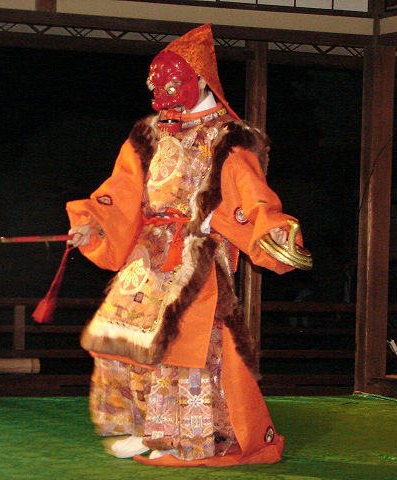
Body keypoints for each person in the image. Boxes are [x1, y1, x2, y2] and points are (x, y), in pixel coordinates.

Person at [65, 23, 304, 466]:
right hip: (147, 252)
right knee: (122, 336)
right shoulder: (147, 134)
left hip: (197, 252)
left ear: (201, 81)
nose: (164, 100)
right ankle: (140, 428)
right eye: (157, 90)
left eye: (173, 88)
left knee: (186, 346)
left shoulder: (230, 137)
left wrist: (269, 229)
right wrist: (93, 223)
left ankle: (187, 438)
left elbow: (252, 195)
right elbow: (121, 189)